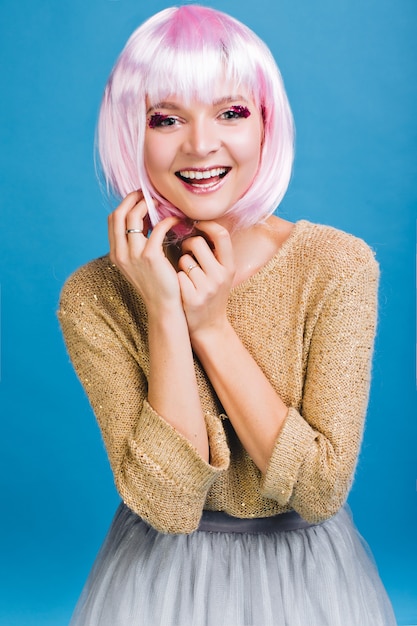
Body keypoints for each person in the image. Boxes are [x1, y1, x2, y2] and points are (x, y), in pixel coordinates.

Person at [58, 5, 396, 625]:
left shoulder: (336, 266)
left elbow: (319, 489)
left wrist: (211, 327)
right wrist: (166, 310)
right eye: (166, 118)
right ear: (131, 133)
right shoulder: (95, 296)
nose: (200, 144)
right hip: (158, 586)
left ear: (267, 124)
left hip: (307, 583)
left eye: (231, 112)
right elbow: (168, 503)